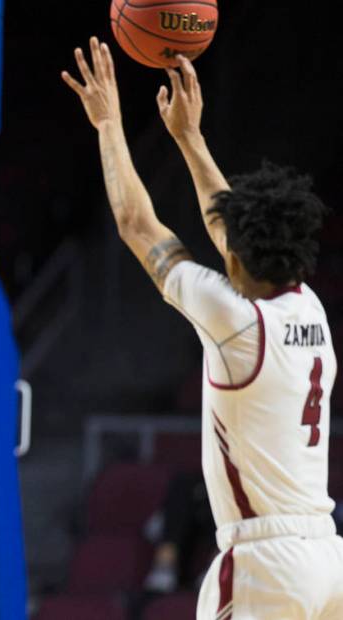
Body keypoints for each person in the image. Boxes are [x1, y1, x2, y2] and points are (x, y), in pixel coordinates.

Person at [63, 38, 343, 618]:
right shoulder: (309, 306)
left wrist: (108, 123)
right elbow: (232, 231)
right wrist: (189, 139)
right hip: (327, 557)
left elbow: (137, 225)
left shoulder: (236, 322)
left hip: (266, 565)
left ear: (237, 259)